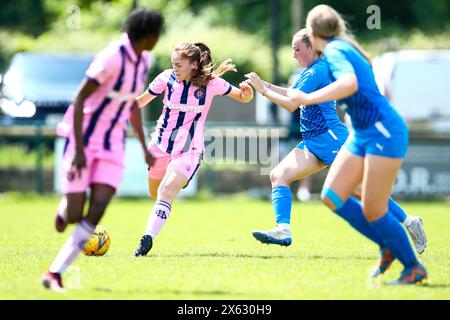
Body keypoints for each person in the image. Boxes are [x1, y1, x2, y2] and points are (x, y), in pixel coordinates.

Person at [246, 5, 428, 285]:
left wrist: (296, 95)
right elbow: (303, 94)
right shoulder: (335, 52)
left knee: (365, 199)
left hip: (357, 133)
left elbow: (345, 83)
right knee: (302, 184)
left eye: (297, 48)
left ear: (315, 36)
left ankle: (405, 239)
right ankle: (285, 229)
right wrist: (273, 88)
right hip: (330, 138)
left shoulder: (333, 54)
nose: (294, 54)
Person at [41, 8, 164, 292]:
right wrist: (80, 149)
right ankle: (65, 209)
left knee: (98, 207)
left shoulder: (144, 60)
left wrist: (144, 146)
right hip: (84, 139)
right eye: (156, 34)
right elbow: (80, 97)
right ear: (149, 35)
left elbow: (131, 102)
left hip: (112, 144)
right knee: (73, 215)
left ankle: (54, 272)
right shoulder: (112, 56)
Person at [133, 42, 254, 256]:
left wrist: (248, 93)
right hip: (160, 146)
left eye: (179, 64)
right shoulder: (165, 78)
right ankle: (171, 191)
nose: (175, 68)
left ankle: (146, 240)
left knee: (166, 190)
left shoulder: (212, 83)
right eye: (173, 64)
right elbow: (140, 101)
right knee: (156, 193)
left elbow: (243, 97)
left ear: (194, 64)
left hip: (190, 149)